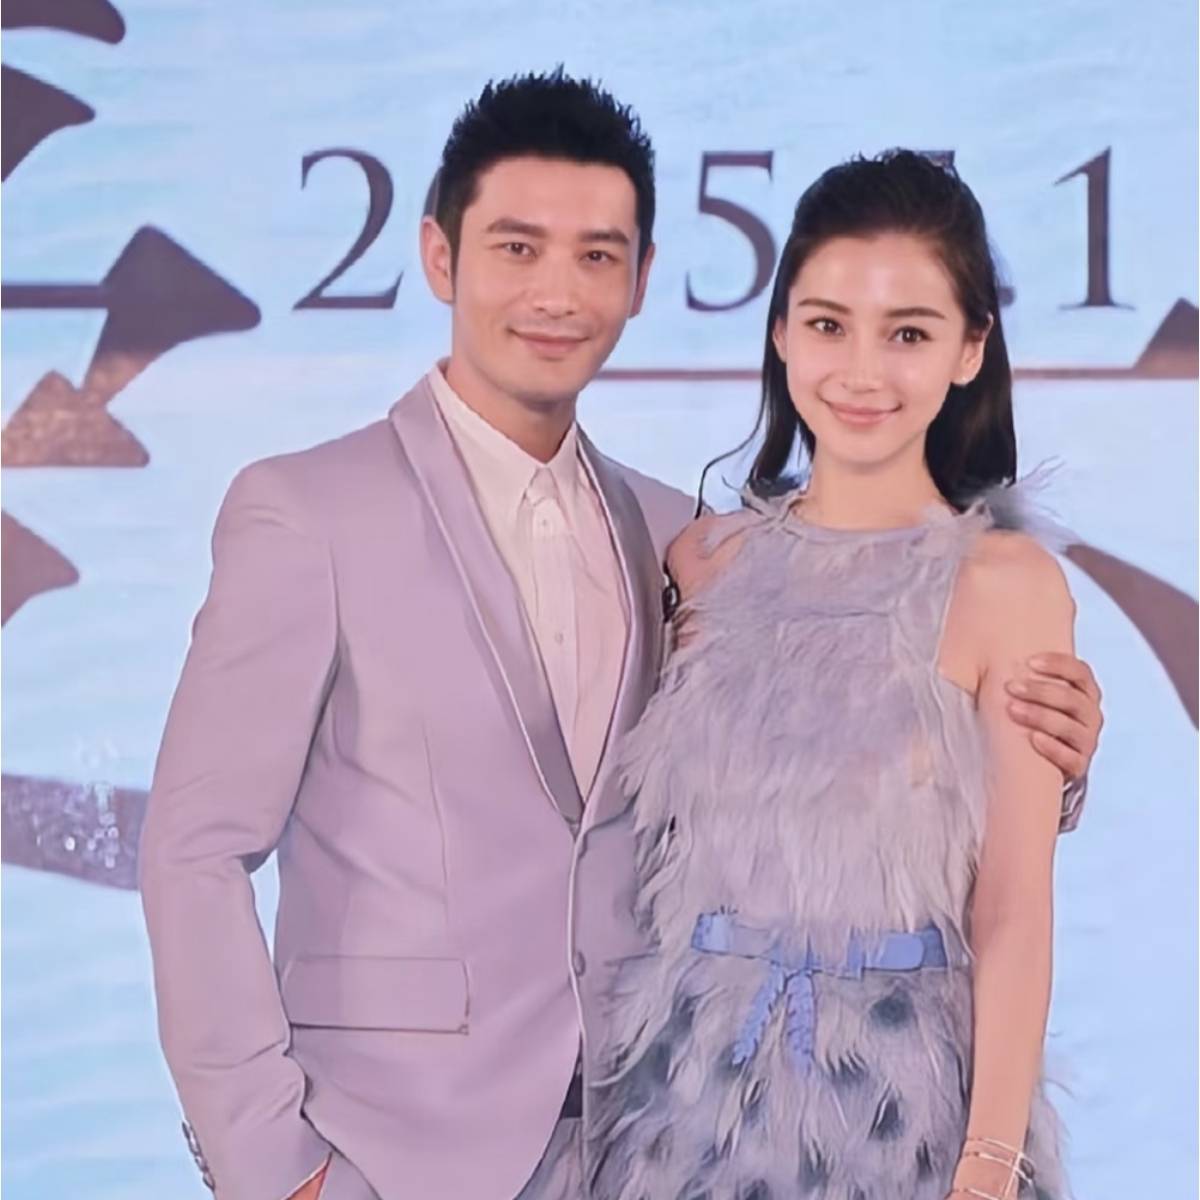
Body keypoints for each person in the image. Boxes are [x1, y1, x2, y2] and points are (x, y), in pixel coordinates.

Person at [138, 73, 1101, 1200]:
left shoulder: (668, 533)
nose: (557, 292)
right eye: (517, 247)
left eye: (597, 254)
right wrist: (270, 1166)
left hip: (652, 1137)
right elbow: (193, 849)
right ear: (441, 256)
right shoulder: (313, 513)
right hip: (398, 1154)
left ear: (642, 278)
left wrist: (1040, 760)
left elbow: (841, 782)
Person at [588, 150, 1085, 1200]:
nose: (862, 372)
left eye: (908, 332)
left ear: (969, 349)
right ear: (780, 334)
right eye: (827, 324)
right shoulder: (702, 562)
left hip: (902, 1112)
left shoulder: (1006, 584)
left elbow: (1013, 911)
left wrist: (989, 1166)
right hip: (686, 1108)